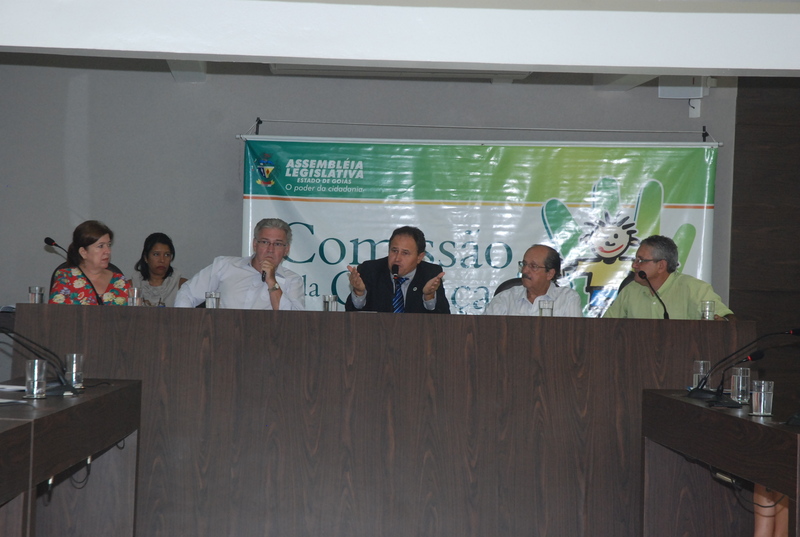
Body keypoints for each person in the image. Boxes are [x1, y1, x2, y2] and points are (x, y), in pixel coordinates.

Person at [174, 218, 304, 310]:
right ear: (255, 244)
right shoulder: (224, 266)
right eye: (265, 242)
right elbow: (187, 293)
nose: (270, 249)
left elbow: (295, 321)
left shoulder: (292, 280)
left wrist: (272, 281)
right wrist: (186, 327)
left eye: (278, 244)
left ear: (286, 249)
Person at [603, 235, 735, 320]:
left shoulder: (694, 288)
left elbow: (727, 319)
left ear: (661, 265)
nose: (634, 265)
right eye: (635, 260)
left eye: (641, 260)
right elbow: (606, 327)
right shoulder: (630, 290)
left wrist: (722, 321)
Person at [345, 226, 449, 313]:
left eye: (405, 253)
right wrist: (359, 292)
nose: (397, 258)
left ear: (419, 257)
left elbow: (443, 318)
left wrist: (429, 296)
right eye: (394, 251)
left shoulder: (430, 274)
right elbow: (351, 314)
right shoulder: (370, 270)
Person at [484, 244, 582, 317]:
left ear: (550, 274)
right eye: (524, 264)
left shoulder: (567, 299)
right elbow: (484, 332)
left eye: (533, 266)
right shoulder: (505, 299)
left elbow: (574, 336)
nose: (524, 270)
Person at [49, 220, 130, 305]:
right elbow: (56, 312)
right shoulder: (66, 278)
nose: (108, 251)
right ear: (83, 252)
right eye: (100, 246)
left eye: (108, 245)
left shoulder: (119, 280)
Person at [131, 232, 187, 307]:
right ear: (146, 257)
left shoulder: (182, 285)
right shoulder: (131, 286)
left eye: (167, 255)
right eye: (156, 254)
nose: (162, 260)